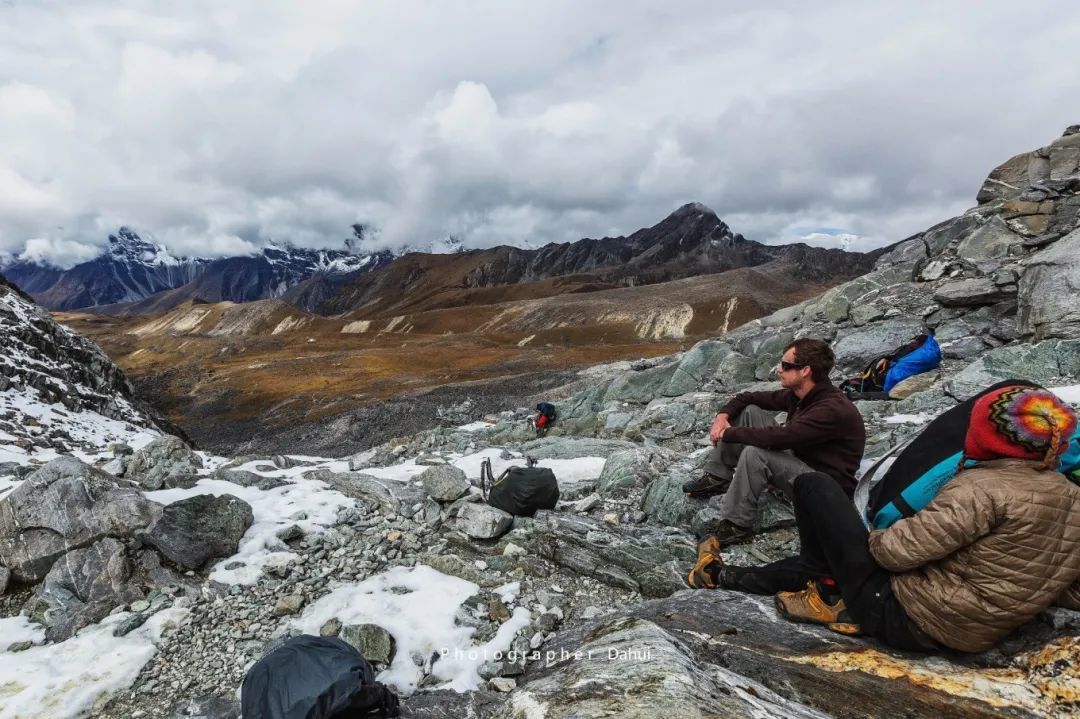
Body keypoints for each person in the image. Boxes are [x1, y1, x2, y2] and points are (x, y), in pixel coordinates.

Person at [691, 385, 1080, 654]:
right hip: (974, 627)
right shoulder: (1069, 494)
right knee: (829, 562)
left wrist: (863, 539)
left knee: (816, 486)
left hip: (906, 616)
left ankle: (752, 580)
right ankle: (732, 577)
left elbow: (893, 554)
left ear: (986, 437)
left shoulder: (983, 488)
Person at [682, 338, 866, 544]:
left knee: (755, 454)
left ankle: (736, 525)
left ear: (805, 371)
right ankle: (717, 476)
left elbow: (779, 438)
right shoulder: (801, 395)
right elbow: (747, 398)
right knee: (749, 411)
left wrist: (729, 434)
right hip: (802, 462)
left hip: (825, 488)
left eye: (786, 366)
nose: (779, 370)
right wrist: (722, 416)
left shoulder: (830, 409)